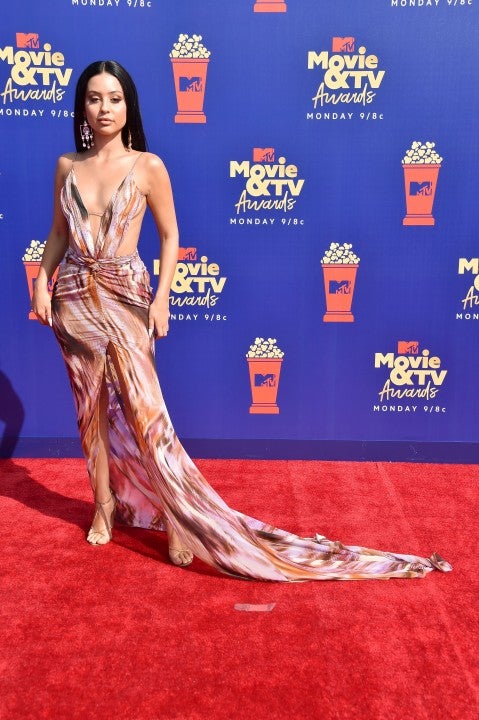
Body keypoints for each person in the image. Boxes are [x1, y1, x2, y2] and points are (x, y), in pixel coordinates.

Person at [32, 60, 451, 581]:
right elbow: (58, 233)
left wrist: (162, 299)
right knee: (91, 412)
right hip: (75, 298)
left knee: (147, 418)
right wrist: (41, 282)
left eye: (114, 98)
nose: (104, 109)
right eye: (94, 98)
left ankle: (180, 520)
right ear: (82, 106)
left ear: (128, 105)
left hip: (127, 296)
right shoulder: (67, 166)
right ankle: (103, 507)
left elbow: (170, 236)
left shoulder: (148, 166)